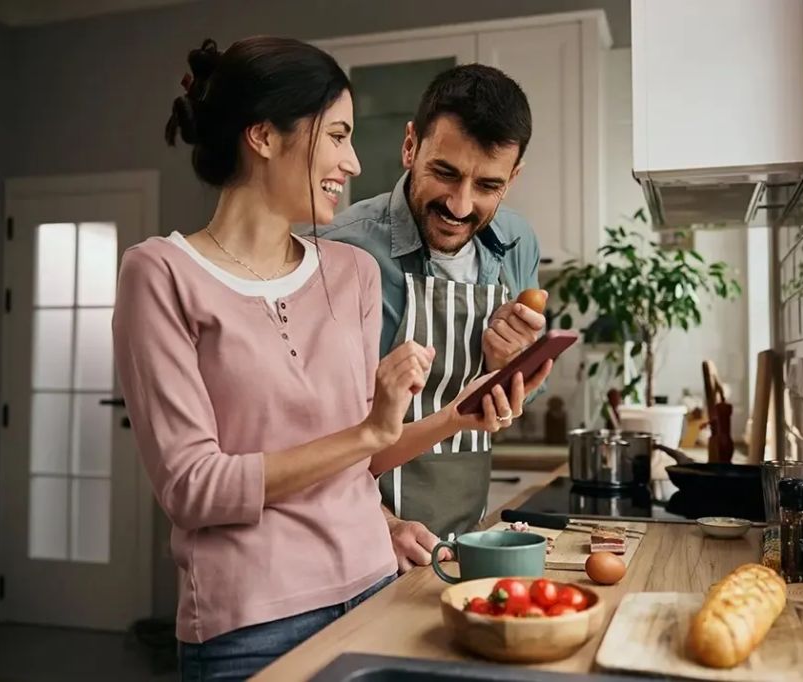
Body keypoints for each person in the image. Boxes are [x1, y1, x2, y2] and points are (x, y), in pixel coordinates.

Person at [112, 38, 549, 680]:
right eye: (339, 134)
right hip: (252, 621)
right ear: (263, 136)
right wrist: (373, 436)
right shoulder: (160, 274)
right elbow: (192, 488)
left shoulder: (349, 273)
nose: (351, 160)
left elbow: (361, 454)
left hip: (377, 586)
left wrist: (463, 411)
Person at [318, 65, 548, 573]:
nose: (460, 205)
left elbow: (509, 408)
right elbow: (317, 433)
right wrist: (384, 523)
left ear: (512, 179)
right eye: (445, 173)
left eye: (487, 184)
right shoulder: (341, 249)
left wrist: (512, 367)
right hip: (363, 542)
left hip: (467, 538)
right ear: (410, 147)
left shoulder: (517, 244)